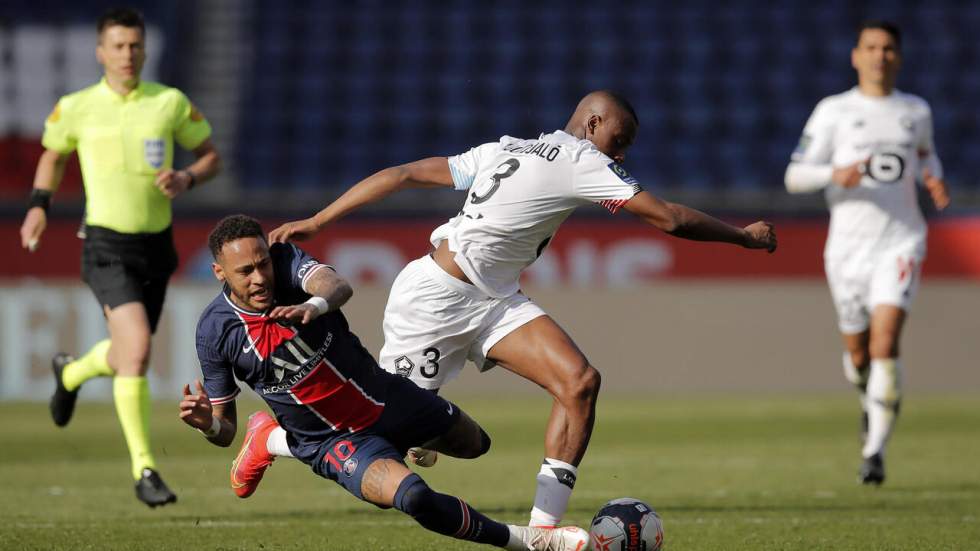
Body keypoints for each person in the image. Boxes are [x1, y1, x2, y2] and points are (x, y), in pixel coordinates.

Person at [268, 90, 778, 527]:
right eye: (618, 142)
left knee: (579, 382)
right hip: (434, 301)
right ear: (593, 124)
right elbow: (668, 218)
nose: (620, 157)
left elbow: (403, 174)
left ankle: (542, 531)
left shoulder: (504, 148)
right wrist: (744, 238)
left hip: (494, 301)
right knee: (376, 442)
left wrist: (320, 218)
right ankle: (272, 440)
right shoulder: (583, 159)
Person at [179, 215, 590, 551]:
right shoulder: (215, 333)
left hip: (386, 395)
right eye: (245, 271)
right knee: (414, 497)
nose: (259, 278)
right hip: (334, 441)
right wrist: (209, 425)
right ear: (219, 273)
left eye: (262, 264)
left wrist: (313, 305)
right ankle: (527, 541)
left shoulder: (286, 262)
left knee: (475, 445)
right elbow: (222, 429)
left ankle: (270, 439)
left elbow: (336, 285)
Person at [18, 7, 221, 506]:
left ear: (144, 50)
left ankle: (70, 373)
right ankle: (144, 469)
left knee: (125, 352)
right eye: (118, 45)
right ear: (100, 52)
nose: (127, 54)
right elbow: (52, 153)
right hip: (106, 245)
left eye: (134, 45)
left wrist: (187, 177)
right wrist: (38, 207)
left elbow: (211, 155)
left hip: (156, 247)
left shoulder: (168, 103)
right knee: (136, 351)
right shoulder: (78, 106)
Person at [784, 21, 949, 485]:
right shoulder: (834, 111)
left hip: (901, 239)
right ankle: (868, 400)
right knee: (859, 354)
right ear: (856, 56)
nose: (880, 55)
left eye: (889, 48)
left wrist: (932, 177)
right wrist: (835, 174)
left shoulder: (915, 111)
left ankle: (874, 452)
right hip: (847, 248)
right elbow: (794, 176)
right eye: (871, 47)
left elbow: (924, 156)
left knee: (885, 343)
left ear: (899, 56)